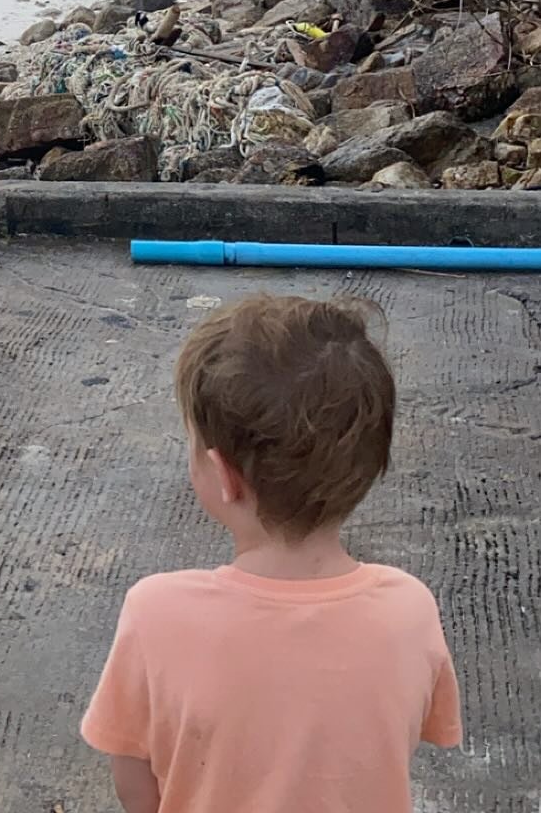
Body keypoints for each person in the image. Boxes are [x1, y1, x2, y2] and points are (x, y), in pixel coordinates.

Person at [83, 296, 462, 813]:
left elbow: (136, 783)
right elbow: (391, 744)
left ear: (223, 475)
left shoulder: (157, 614)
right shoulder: (409, 611)